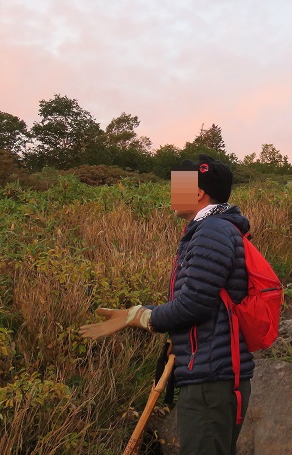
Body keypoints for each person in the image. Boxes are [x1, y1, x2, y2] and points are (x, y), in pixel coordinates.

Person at [80, 154, 252, 455]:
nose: (171, 192)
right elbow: (200, 301)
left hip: (211, 379)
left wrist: (141, 317)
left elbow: (193, 305)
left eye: (177, 186)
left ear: (198, 192)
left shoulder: (212, 231)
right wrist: (138, 313)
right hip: (213, 374)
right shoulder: (215, 229)